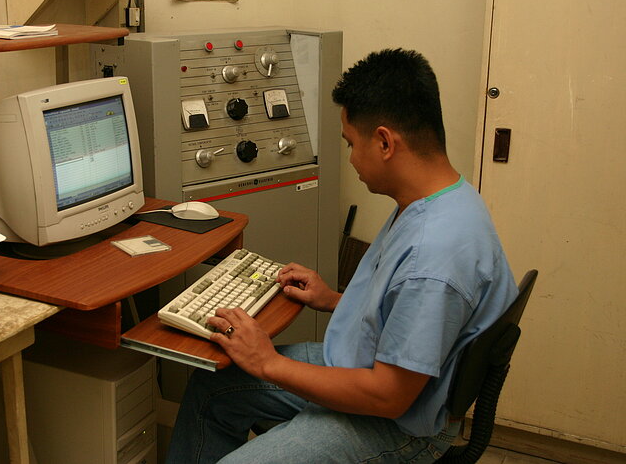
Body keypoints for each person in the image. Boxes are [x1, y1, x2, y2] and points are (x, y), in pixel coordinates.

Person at [165, 48, 518, 464]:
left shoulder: (434, 257)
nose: (350, 159)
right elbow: (405, 312)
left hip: (397, 421)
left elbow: (388, 397)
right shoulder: (440, 198)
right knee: (214, 384)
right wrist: (334, 299)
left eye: (351, 143)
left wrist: (268, 362)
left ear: (385, 142)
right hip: (367, 367)